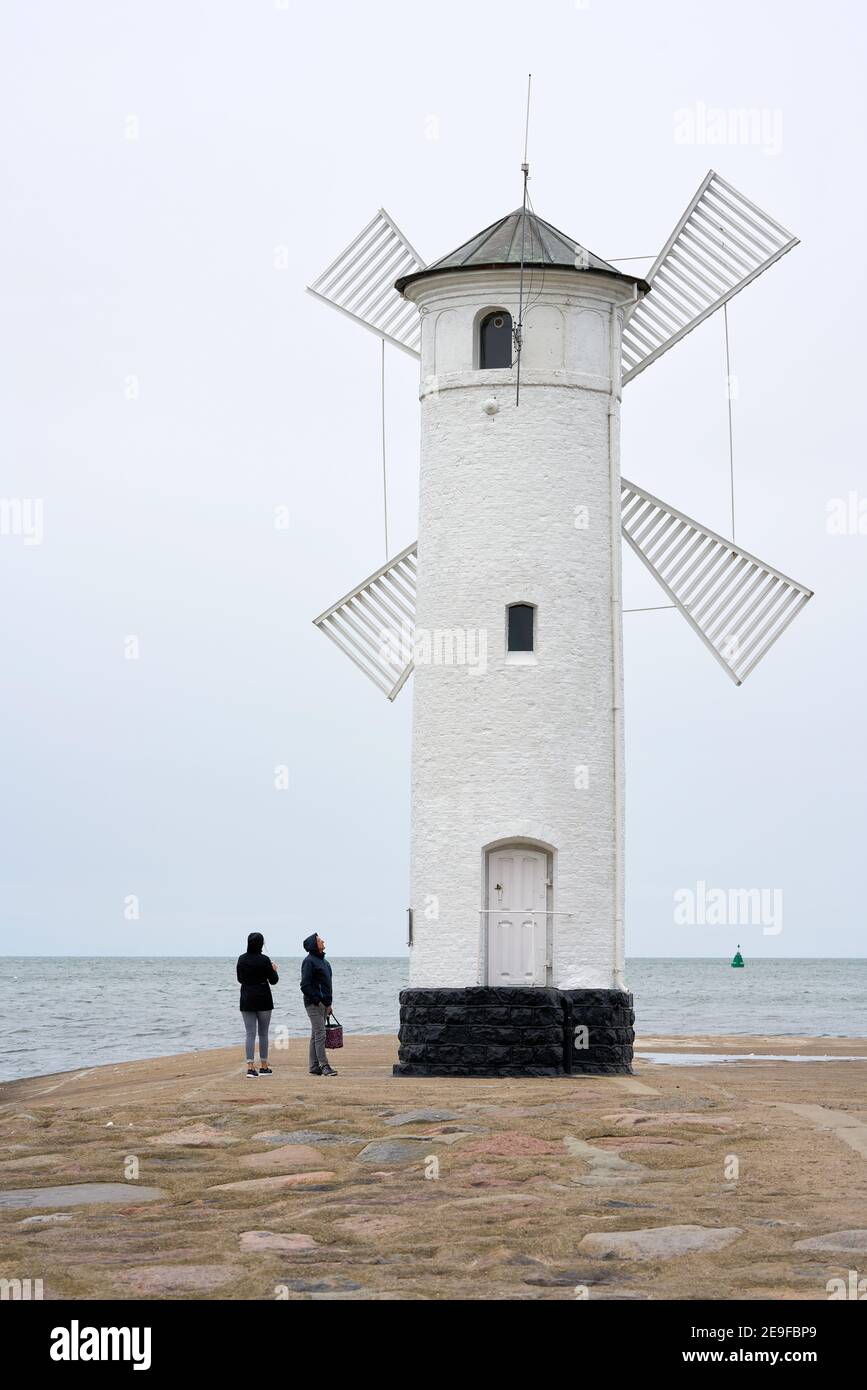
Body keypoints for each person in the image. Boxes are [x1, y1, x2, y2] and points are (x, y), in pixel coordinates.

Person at [236, 932, 279, 1077]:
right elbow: (273, 981)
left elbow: (240, 979)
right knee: (263, 1033)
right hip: (263, 998)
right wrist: (273, 969)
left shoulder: (241, 959)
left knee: (250, 1033)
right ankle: (264, 1066)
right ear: (261, 944)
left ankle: (250, 1067)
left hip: (247, 997)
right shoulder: (265, 960)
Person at [301, 933, 337, 1076]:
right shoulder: (309, 961)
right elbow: (304, 985)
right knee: (320, 1034)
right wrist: (317, 1000)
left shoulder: (324, 962)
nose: (322, 941)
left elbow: (327, 985)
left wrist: (328, 1004)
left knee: (315, 1035)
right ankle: (324, 1065)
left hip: (323, 1004)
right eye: (319, 940)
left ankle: (314, 1066)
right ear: (314, 945)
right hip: (313, 1004)